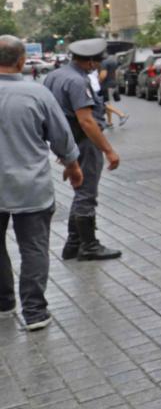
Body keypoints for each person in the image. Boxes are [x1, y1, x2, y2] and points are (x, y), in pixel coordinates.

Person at [0, 36, 84, 331]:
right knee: (33, 247)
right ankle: (35, 312)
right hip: (30, 187)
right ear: (22, 61)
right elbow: (61, 137)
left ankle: (4, 303)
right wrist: (73, 167)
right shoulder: (36, 94)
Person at [42, 37, 122, 261]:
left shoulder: (54, 76)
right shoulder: (78, 81)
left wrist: (64, 151)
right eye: (97, 63)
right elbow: (87, 121)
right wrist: (108, 150)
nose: (98, 67)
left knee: (81, 192)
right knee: (86, 193)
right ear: (89, 62)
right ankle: (89, 246)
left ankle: (74, 244)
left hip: (70, 142)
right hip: (84, 141)